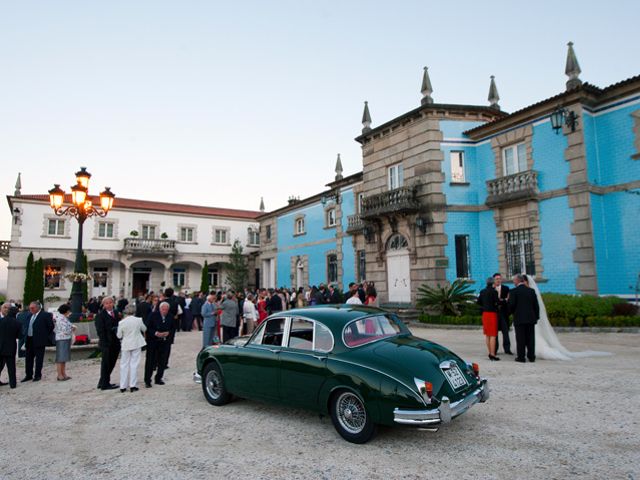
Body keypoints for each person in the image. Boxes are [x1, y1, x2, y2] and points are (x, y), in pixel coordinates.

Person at [522, 275, 611, 360]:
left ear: (526, 281)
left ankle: (535, 350)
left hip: (531, 318)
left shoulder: (532, 291)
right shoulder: (525, 290)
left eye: (523, 281)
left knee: (533, 335)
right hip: (525, 318)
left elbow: (537, 307)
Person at [508, 274, 540, 363]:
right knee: (531, 338)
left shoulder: (514, 291)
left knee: (520, 338)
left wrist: (510, 312)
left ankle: (521, 357)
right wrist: (536, 317)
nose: (513, 282)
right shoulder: (531, 291)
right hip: (530, 318)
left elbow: (512, 305)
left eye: (514, 280)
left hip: (519, 318)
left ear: (518, 281)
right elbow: (536, 306)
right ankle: (531, 356)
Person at [116, 304, 147, 392]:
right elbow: (144, 329)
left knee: (124, 365)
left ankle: (123, 386)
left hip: (126, 344)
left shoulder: (121, 322)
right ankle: (133, 385)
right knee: (134, 364)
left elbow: (119, 335)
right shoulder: (138, 320)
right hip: (136, 343)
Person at [22, 301, 54, 382]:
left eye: (32, 308)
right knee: (28, 358)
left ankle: (37, 375)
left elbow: (50, 326)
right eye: (30, 308)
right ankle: (28, 375)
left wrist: (44, 335)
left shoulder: (45, 315)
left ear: (38, 307)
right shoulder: (29, 315)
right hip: (29, 339)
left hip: (39, 340)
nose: (31, 309)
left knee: (39, 359)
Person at [144, 301, 174, 387]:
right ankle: (147, 380)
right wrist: (156, 333)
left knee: (162, 361)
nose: (165, 311)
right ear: (160, 309)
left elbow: (173, 328)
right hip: (153, 341)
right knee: (150, 361)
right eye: (163, 309)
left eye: (166, 309)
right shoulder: (153, 315)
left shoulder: (170, 316)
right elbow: (148, 327)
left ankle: (158, 378)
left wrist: (168, 333)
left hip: (164, 342)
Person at [94, 297, 122, 390]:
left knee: (112, 363)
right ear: (104, 305)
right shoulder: (100, 315)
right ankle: (105, 384)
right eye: (106, 303)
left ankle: (103, 381)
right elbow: (100, 331)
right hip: (106, 343)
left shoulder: (116, 313)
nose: (109, 305)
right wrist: (105, 342)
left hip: (115, 342)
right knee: (106, 364)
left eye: (110, 303)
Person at [477, 278, 500, 361]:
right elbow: (497, 302)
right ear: (493, 283)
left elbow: (478, 302)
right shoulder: (494, 292)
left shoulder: (482, 291)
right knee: (493, 335)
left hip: (485, 313)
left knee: (487, 334)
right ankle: (493, 354)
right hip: (492, 313)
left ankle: (490, 352)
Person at [0, 303, 22, 388]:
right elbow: (19, 336)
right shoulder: (17, 323)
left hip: (0, 346)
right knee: (11, 367)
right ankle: (13, 384)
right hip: (10, 347)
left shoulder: (1, 320)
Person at [53, 304, 76, 381]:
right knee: (60, 358)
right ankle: (59, 375)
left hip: (66, 338)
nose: (69, 312)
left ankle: (64, 373)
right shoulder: (60, 318)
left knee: (64, 357)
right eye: (68, 311)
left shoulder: (64, 318)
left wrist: (71, 327)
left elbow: (68, 325)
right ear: (65, 311)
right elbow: (64, 329)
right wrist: (72, 329)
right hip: (61, 339)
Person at [493, 273, 512, 355]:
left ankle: (507, 349)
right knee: (495, 333)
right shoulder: (491, 289)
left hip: (504, 313)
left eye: (499, 279)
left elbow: (508, 301)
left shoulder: (506, 288)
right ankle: (495, 349)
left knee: (505, 332)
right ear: (494, 280)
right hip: (494, 314)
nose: (498, 280)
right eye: (497, 279)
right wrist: (503, 300)